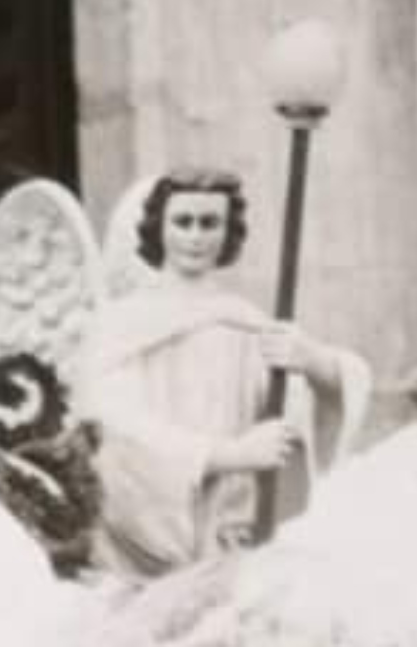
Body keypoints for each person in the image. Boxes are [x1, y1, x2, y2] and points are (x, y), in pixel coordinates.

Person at [80, 167, 370, 580]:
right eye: (183, 222)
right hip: (153, 537)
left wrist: (313, 361)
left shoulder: (243, 321)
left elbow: (298, 414)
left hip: (233, 529)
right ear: (158, 228)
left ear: (228, 231)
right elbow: (121, 427)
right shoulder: (123, 323)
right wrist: (228, 455)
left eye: (209, 223)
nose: (196, 236)